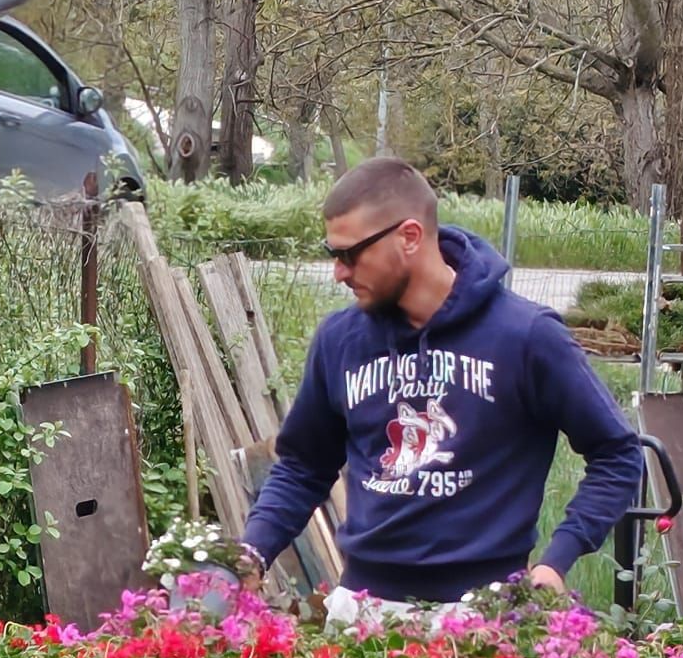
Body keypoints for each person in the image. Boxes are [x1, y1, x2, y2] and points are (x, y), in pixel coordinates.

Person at [238, 159, 645, 607]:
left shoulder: (526, 336)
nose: (339, 272)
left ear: (410, 236)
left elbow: (618, 453)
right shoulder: (340, 340)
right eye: (332, 254)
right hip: (363, 609)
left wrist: (556, 561)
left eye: (350, 254)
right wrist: (252, 552)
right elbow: (303, 466)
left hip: (484, 616)